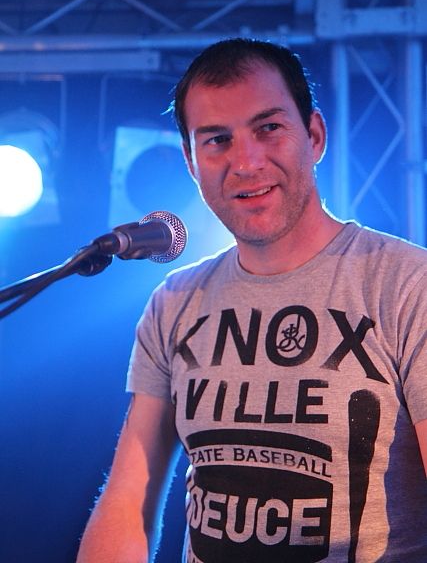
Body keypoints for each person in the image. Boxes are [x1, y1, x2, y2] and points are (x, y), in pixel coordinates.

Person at [76, 38, 427, 563]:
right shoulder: (175, 300)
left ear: (314, 135)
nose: (245, 161)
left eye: (268, 128)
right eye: (217, 140)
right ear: (192, 162)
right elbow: (127, 502)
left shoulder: (407, 283)